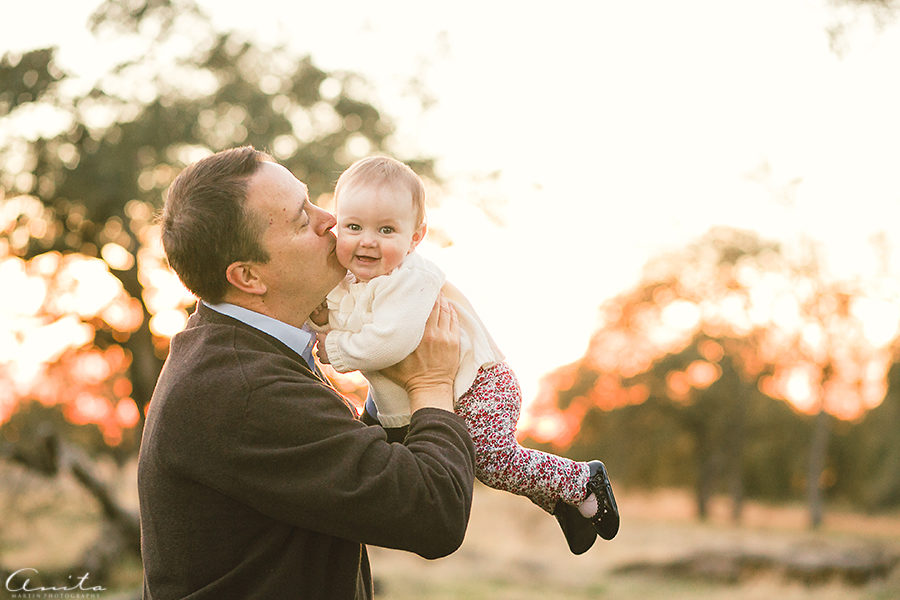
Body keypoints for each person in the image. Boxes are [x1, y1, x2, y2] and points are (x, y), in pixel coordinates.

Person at [138, 146, 476, 600]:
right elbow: (433, 513)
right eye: (303, 219)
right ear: (248, 276)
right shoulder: (244, 389)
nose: (330, 221)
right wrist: (431, 384)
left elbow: (354, 472)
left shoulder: (246, 350)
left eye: (312, 200)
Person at [310, 156, 619, 556]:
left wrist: (332, 346)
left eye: (386, 229)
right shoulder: (355, 277)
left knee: (489, 461)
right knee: (385, 454)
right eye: (354, 227)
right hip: (425, 394)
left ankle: (582, 480)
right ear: (338, 225)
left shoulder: (411, 278)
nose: (367, 240)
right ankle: (564, 503)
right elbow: (335, 308)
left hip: (481, 383)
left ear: (415, 237)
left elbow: (392, 341)